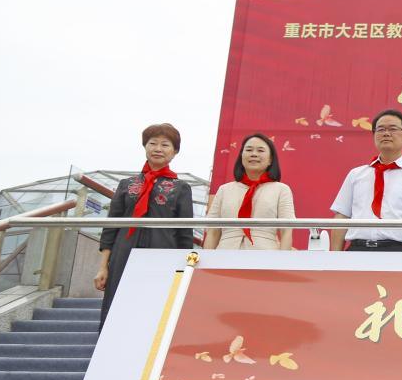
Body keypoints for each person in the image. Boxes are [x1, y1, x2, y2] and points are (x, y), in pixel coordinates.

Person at [93, 123, 193, 329]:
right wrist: (103, 266)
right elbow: (111, 227)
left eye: (165, 145)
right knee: (117, 303)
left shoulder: (181, 188)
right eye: (152, 143)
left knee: (156, 306)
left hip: (163, 254)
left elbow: (185, 233)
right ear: (145, 146)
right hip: (123, 252)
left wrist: (184, 268)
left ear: (175, 151)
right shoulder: (126, 184)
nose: (158, 149)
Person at [329, 109, 402, 252]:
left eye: (393, 129)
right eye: (381, 129)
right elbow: (342, 215)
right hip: (357, 250)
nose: (386, 133)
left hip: (396, 251)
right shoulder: (356, 174)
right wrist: (335, 257)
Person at [203, 134, 296, 250]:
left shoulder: (281, 190)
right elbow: (212, 232)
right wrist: (208, 259)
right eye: (249, 150)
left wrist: (283, 260)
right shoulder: (224, 190)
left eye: (260, 150)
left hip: (265, 255)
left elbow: (286, 231)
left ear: (270, 159)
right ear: (241, 156)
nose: (254, 154)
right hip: (225, 254)